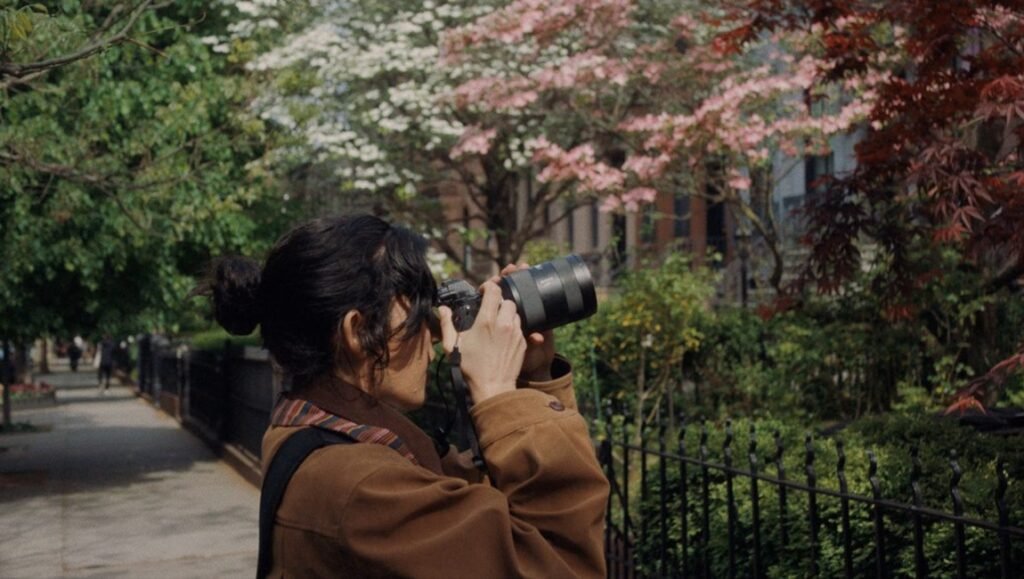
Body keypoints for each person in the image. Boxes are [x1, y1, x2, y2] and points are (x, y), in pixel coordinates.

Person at [203, 215, 608, 578]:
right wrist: (500, 396)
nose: (433, 334)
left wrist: (532, 375)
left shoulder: (313, 431)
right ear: (359, 332)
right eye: (419, 313)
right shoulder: (362, 489)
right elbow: (562, 565)